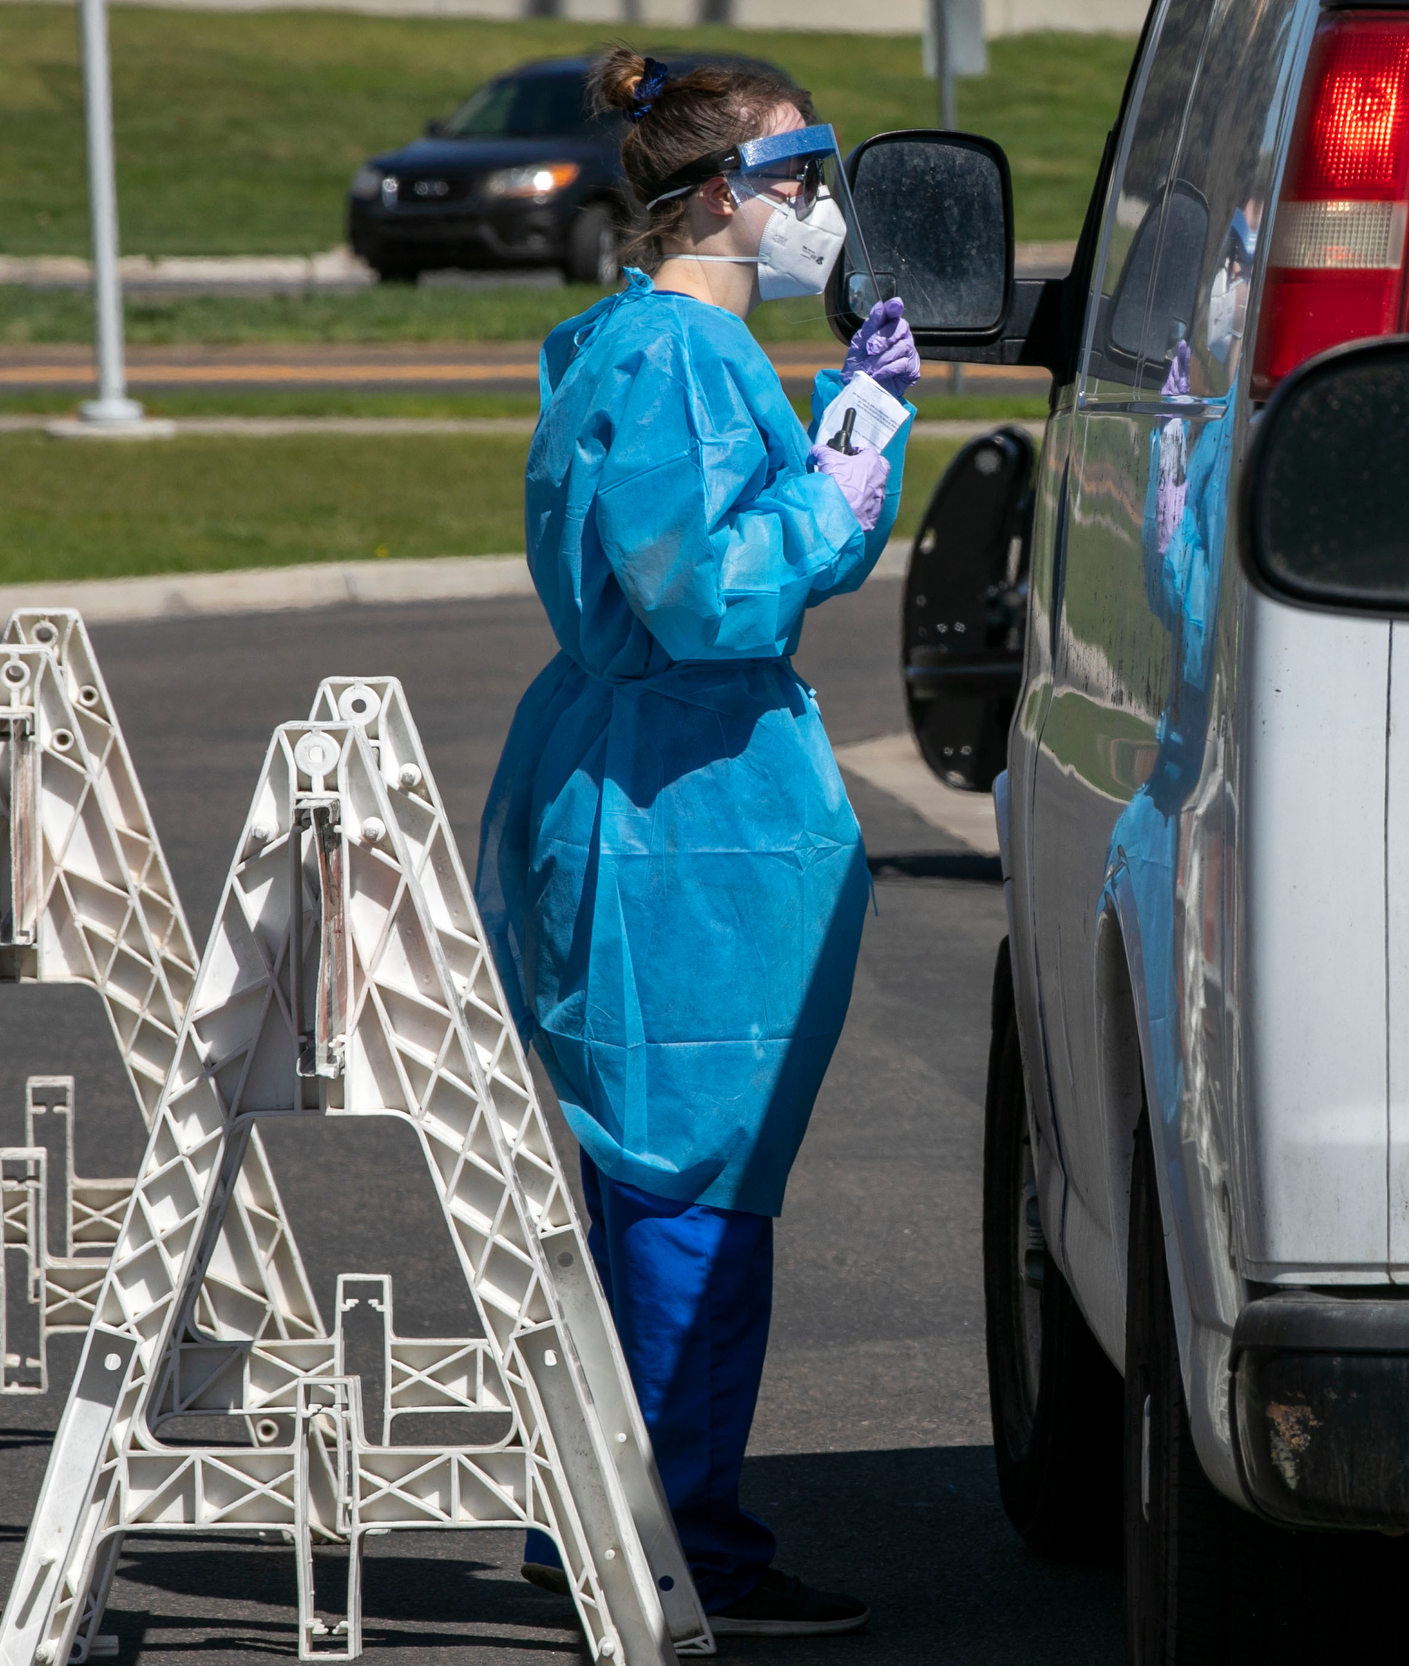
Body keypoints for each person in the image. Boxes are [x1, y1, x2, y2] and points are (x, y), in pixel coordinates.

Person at [475, 44, 921, 1639]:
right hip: (687, 814)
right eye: (805, 182)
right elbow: (710, 593)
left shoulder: (648, 344)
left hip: (665, 789)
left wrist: (830, 458)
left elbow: (718, 557)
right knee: (690, 1192)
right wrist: (854, 461)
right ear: (726, 191)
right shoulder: (674, 353)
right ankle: (683, 1558)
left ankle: (595, 1528)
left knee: (656, 1181)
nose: (821, 212)